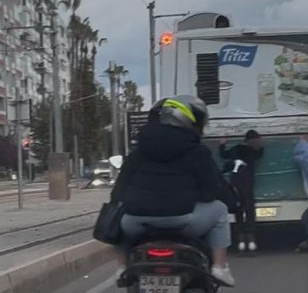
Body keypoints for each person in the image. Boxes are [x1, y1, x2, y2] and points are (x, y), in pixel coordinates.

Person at [110, 95, 236, 286]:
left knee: (117, 214)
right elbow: (211, 191)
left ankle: (121, 268)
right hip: (182, 220)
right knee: (220, 210)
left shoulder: (139, 151)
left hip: (136, 222)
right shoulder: (197, 151)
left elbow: (119, 191)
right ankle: (220, 267)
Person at [219, 130, 265, 253]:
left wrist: (222, 144)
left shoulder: (235, 149)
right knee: (249, 212)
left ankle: (240, 242)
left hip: (236, 185)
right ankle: (251, 241)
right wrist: (262, 145)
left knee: (238, 212)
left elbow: (223, 155)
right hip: (248, 185)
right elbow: (259, 155)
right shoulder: (252, 151)